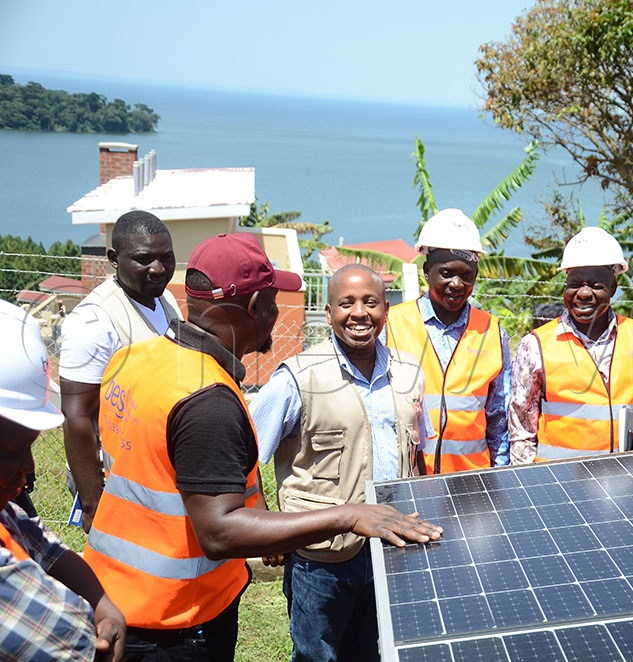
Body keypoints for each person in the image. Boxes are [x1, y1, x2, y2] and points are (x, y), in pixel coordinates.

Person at [83, 235, 442, 661]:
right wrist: (350, 514)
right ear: (256, 308)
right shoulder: (208, 398)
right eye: (273, 301)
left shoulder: (137, 359)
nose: (276, 313)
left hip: (115, 595)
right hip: (173, 618)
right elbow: (219, 531)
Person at [250, 264, 433, 661]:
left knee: (376, 651)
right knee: (318, 655)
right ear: (329, 311)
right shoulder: (298, 377)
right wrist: (266, 527)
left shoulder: (409, 374)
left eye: (370, 302)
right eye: (346, 304)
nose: (359, 313)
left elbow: (417, 456)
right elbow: (245, 455)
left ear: (386, 309)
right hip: (322, 556)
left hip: (390, 550)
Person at [0, 299, 126, 661]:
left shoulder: (5, 512)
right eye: (9, 451)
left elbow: (41, 543)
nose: (26, 470)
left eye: (29, 448)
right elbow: (74, 641)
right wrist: (97, 617)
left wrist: (102, 603)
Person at [60, 210, 181, 531]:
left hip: (158, 470)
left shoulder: (165, 300)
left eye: (166, 258)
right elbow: (76, 417)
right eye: (143, 260)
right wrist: (92, 504)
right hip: (116, 479)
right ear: (114, 258)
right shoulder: (94, 322)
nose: (158, 269)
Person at [509, 227, 633, 463]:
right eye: (575, 284)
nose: (584, 293)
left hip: (626, 480)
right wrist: (528, 484)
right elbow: (521, 429)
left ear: (613, 288)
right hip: (558, 485)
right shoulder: (536, 345)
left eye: (596, 285)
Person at [385, 208, 511, 473]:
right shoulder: (392, 324)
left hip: (471, 483)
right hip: (408, 478)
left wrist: (500, 477)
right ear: (427, 271)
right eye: (446, 274)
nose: (457, 284)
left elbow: (498, 417)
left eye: (467, 276)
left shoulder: (492, 331)